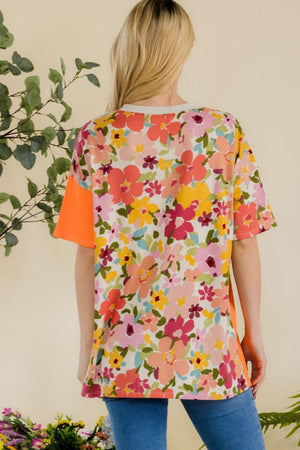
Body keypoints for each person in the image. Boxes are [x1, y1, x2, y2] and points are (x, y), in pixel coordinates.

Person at [52, 0, 278, 448]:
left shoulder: (96, 137)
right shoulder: (222, 131)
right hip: (208, 338)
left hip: (123, 341)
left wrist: (88, 345)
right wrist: (252, 336)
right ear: (181, 50)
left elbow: (87, 253)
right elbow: (244, 245)